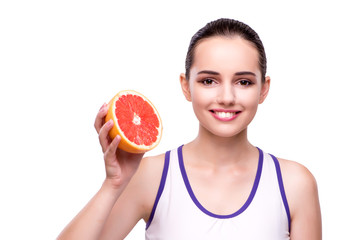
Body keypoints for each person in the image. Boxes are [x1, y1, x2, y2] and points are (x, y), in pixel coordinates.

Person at [58, 18, 322, 239]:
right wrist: (113, 185)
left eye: (243, 82)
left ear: (263, 89)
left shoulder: (294, 183)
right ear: (186, 86)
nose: (227, 97)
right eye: (209, 80)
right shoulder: (151, 176)